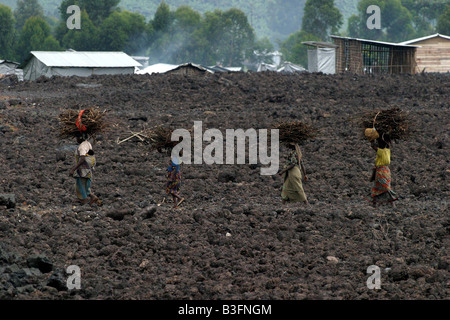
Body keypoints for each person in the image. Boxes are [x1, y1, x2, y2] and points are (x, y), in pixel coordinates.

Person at [368, 135, 398, 207]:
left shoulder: (381, 151)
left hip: (381, 172)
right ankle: (376, 203)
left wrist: (371, 140)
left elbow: (373, 147)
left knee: (383, 187)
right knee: (380, 186)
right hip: (386, 171)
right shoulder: (388, 150)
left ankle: (391, 201)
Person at [69, 132, 98, 205]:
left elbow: (82, 158)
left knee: (80, 183)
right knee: (86, 183)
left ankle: (84, 199)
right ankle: (92, 196)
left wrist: (73, 169)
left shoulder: (82, 146)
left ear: (80, 138)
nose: (76, 139)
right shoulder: (87, 143)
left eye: (77, 138)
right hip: (89, 168)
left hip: (83, 168)